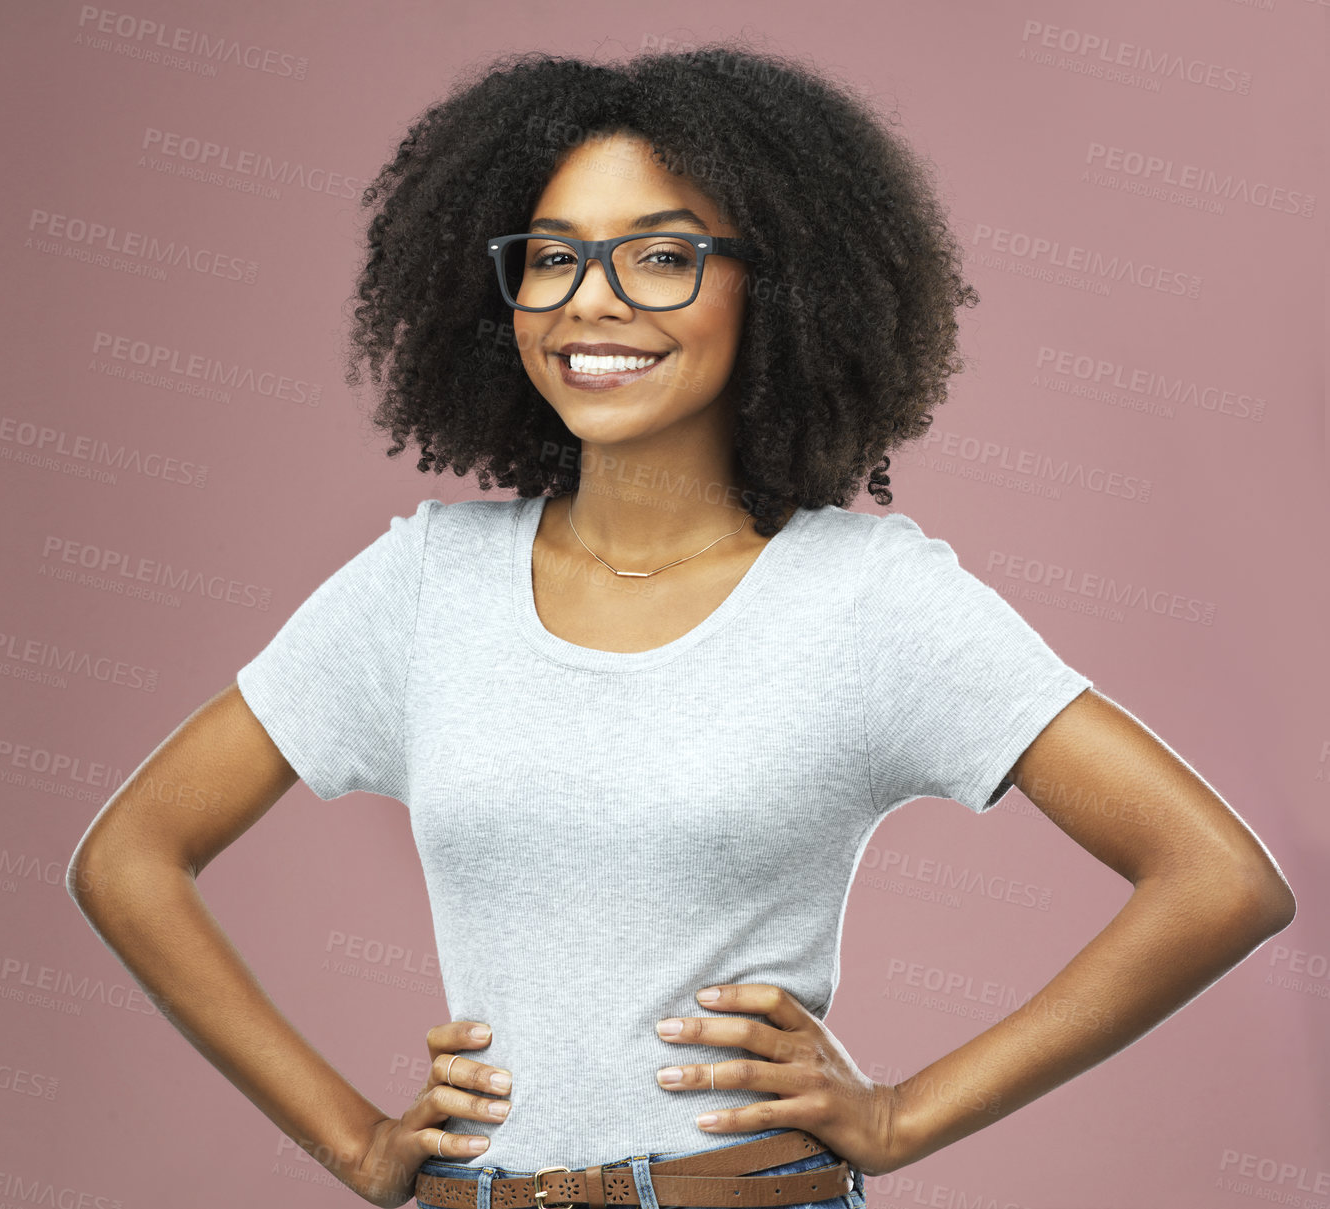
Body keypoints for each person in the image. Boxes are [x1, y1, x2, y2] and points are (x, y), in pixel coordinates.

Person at [66, 41, 1296, 1209]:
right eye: (552, 257)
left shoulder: (868, 601)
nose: (591, 305)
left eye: (662, 258)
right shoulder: (426, 584)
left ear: (783, 285)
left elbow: (1216, 881)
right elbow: (130, 857)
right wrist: (353, 1140)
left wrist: (902, 1117)